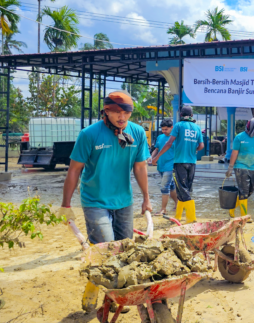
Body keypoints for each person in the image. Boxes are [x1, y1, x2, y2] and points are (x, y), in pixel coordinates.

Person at [61, 90, 152, 244]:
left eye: (126, 112)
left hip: (124, 201)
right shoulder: (89, 134)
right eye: (117, 112)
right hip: (95, 200)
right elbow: (74, 170)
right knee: (107, 248)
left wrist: (146, 198)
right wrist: (65, 205)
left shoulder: (138, 133)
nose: (122, 117)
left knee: (125, 247)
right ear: (106, 111)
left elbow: (140, 168)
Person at [151, 105, 204, 223]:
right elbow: (201, 146)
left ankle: (191, 218)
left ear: (181, 115)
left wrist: (157, 157)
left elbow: (170, 143)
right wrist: (192, 149)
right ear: (191, 115)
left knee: (182, 190)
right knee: (184, 189)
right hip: (192, 163)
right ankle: (178, 216)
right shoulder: (197, 127)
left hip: (180, 162)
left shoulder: (178, 126)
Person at [147, 118, 176, 216]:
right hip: (161, 165)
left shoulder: (175, 138)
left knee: (164, 187)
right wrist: (152, 157)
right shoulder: (160, 137)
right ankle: (178, 204)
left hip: (170, 165)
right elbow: (157, 149)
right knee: (171, 187)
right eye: (162, 129)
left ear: (172, 128)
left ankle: (163, 209)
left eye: (166, 129)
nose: (164, 131)